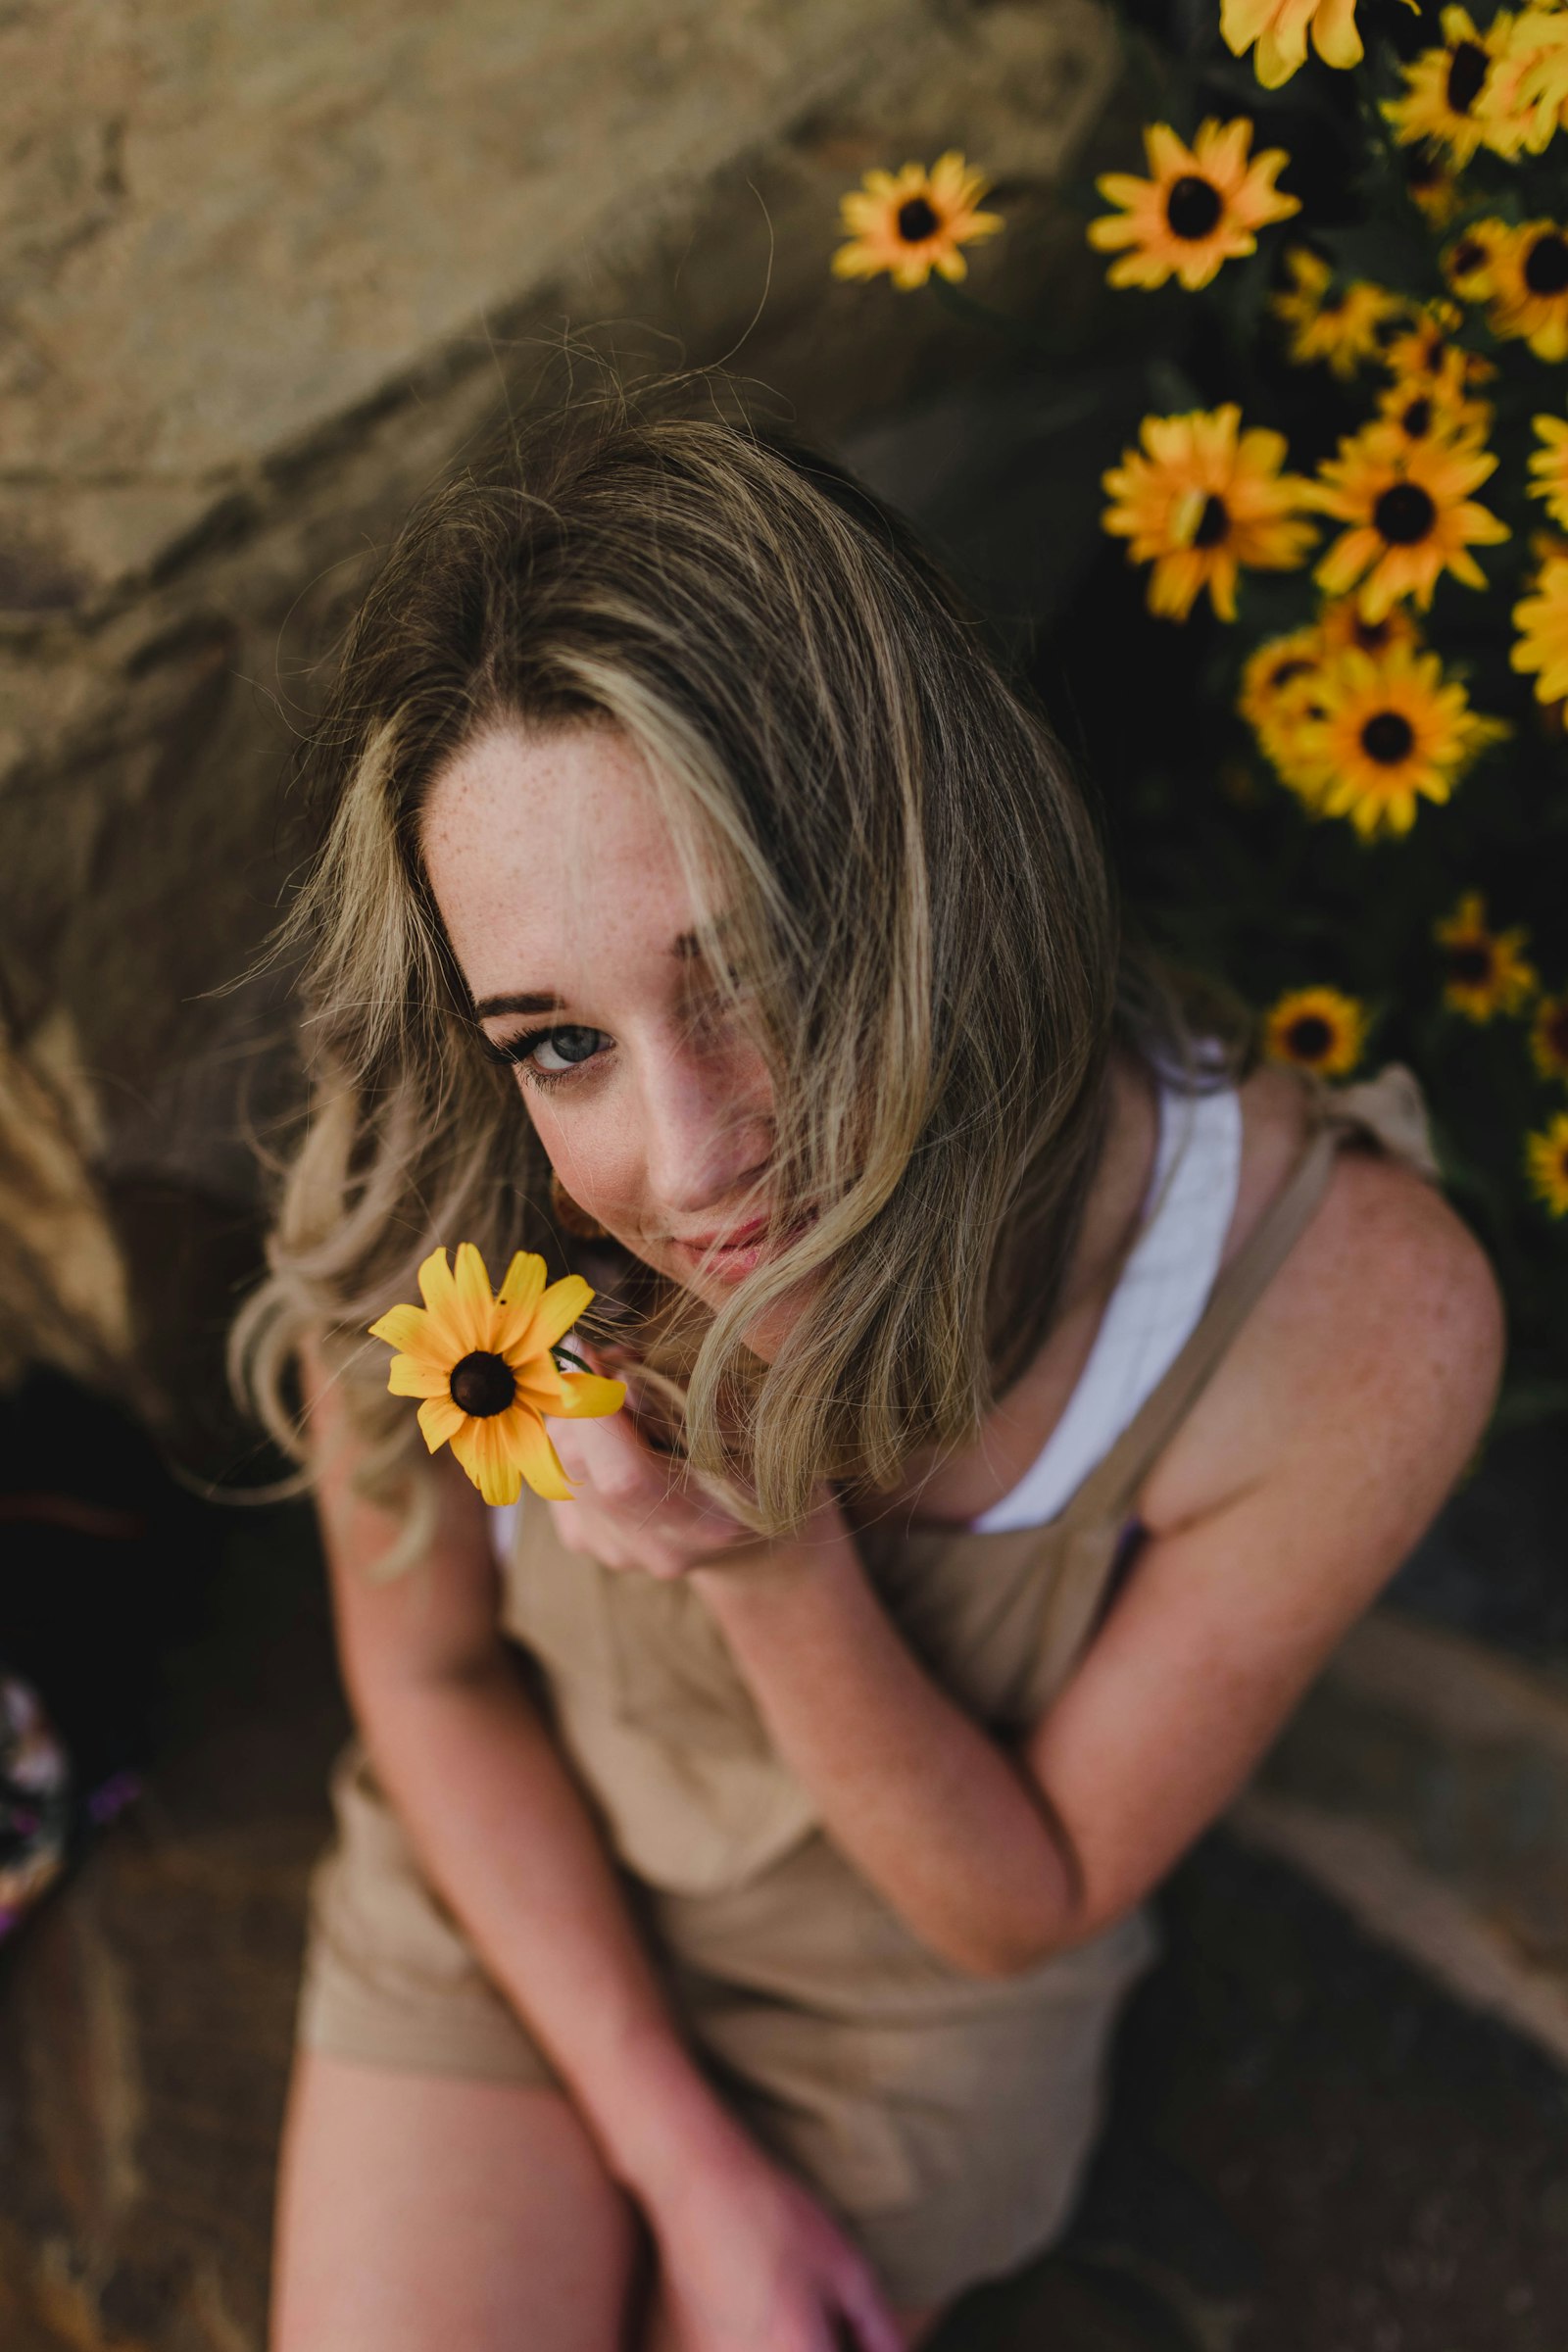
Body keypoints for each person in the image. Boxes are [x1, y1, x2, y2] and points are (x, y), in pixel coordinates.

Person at [235, 385, 1503, 2352]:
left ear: (929, 879)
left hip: (900, 2026)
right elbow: (428, 1679)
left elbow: (1022, 1896)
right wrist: (676, 2163)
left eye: (737, 971)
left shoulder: (1331, 1310)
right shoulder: (435, 1179)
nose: (687, 1151)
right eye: (559, 1039)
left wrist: (764, 1559)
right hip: (526, 1901)